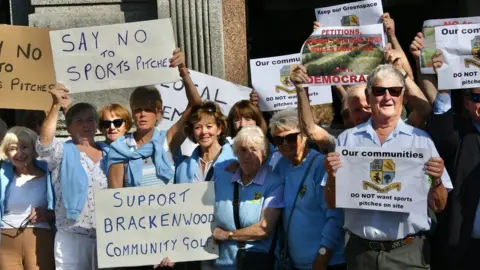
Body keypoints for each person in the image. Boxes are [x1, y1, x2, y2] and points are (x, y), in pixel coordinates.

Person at [323, 64, 452, 270]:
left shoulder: (421, 141)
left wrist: (436, 180)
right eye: (379, 91)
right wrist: (331, 176)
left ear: (403, 96)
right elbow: (331, 203)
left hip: (407, 254)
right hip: (360, 253)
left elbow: (438, 206)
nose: (387, 97)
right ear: (368, 95)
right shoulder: (347, 140)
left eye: (394, 91)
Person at [107, 48, 202, 269]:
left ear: (158, 113)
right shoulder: (120, 148)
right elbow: (115, 199)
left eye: (148, 110)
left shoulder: (167, 139)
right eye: (137, 110)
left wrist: (183, 71)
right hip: (137, 236)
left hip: (171, 231)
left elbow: (196, 105)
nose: (142, 115)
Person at [36, 84, 109, 270]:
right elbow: (44, 144)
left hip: (108, 238)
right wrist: (56, 106)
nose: (85, 125)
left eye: (90, 120)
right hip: (73, 239)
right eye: (78, 121)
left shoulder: (111, 153)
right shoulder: (62, 152)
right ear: (68, 128)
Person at [269, 109, 345, 270]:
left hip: (326, 263)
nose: (284, 144)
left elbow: (335, 216)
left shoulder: (320, 165)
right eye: (278, 139)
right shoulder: (281, 166)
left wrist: (323, 256)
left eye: (290, 137)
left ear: (304, 136)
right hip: (296, 263)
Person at [427, 49, 480, 270]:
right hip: (466, 248)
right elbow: (442, 134)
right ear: (468, 103)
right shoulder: (461, 131)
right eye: (478, 97)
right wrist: (445, 87)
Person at [212, 126, 284, 270]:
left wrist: (228, 235)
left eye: (253, 149)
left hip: (257, 262)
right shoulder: (221, 179)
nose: (247, 155)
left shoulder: (274, 182)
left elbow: (263, 229)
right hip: (222, 264)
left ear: (263, 154)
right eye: (243, 150)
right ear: (236, 153)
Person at [0, 127, 55, 270]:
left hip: (39, 236)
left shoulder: (49, 177)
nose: (19, 153)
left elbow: (63, 209)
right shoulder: (2, 178)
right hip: (6, 238)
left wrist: (49, 214)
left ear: (34, 149)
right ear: (6, 152)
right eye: (13, 148)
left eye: (24, 147)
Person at [176, 101, 235, 184]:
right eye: (198, 127)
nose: (204, 131)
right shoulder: (182, 168)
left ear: (219, 128)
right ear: (192, 131)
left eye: (209, 126)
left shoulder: (237, 162)